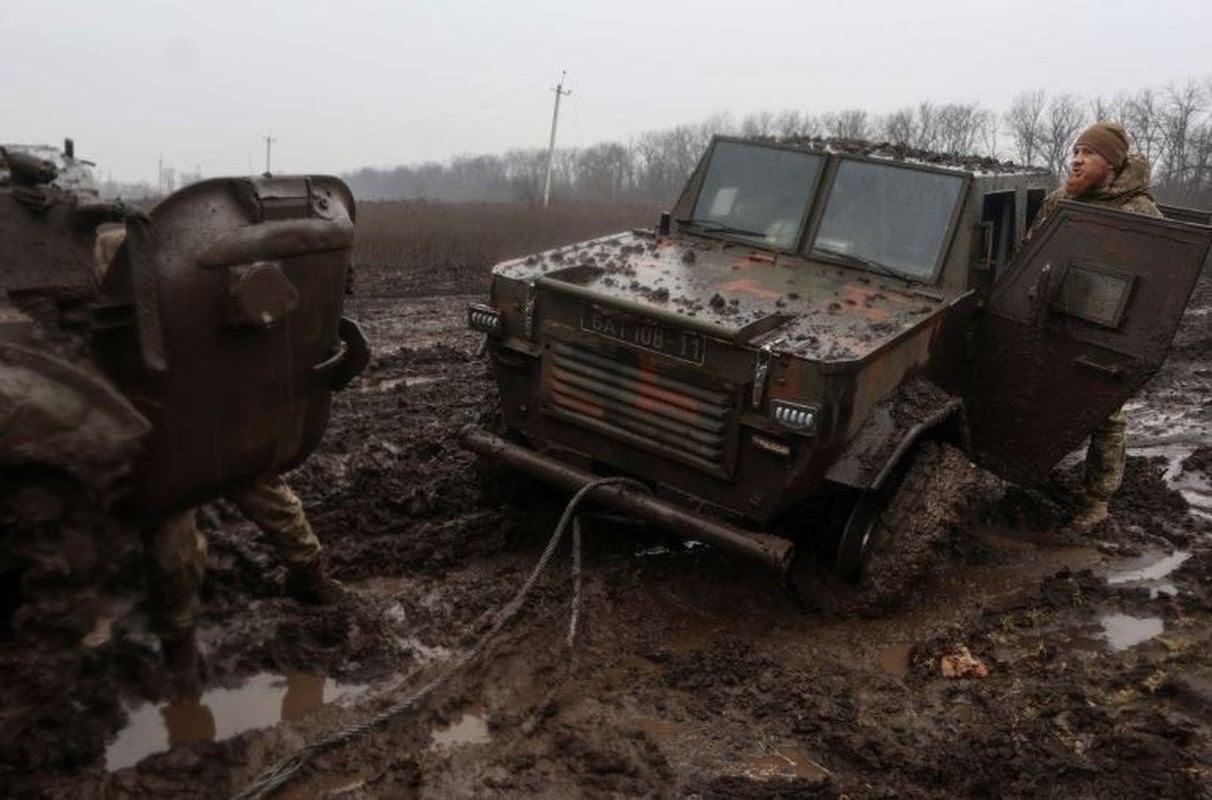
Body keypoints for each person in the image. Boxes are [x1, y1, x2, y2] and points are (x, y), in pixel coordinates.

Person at [1026, 121, 1162, 528]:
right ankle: (1030, 470)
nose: (1077, 160)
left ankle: (1096, 500)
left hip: (1108, 326)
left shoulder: (1140, 210)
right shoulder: (1059, 202)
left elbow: (1156, 280)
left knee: (1105, 412)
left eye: (1088, 153)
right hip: (1055, 314)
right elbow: (1032, 253)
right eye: (1075, 152)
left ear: (1112, 164)